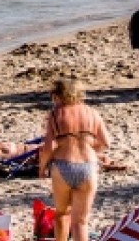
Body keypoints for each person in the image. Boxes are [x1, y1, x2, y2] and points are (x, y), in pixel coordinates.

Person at [38, 78, 110, 241]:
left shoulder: (55, 114)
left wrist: (42, 168)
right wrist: (91, 147)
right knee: (81, 222)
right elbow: (106, 142)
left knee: (62, 214)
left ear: (57, 96)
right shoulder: (92, 113)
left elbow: (48, 147)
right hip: (88, 166)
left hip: (63, 165)